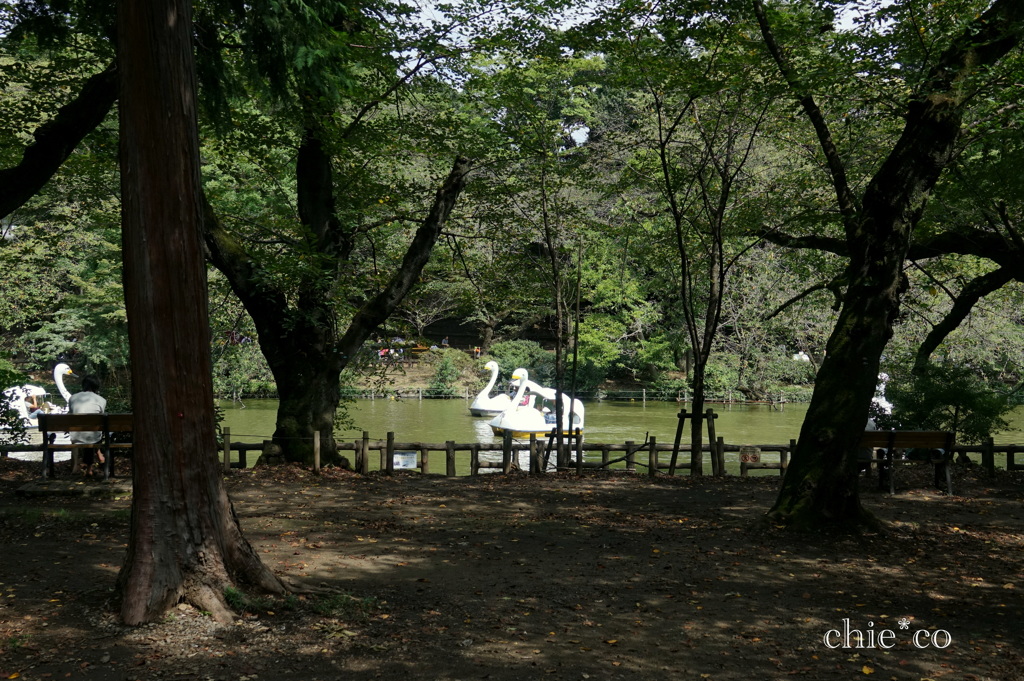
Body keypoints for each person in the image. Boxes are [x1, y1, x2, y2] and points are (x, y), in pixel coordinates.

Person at [69, 375, 107, 477]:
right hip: (93, 435)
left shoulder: (72, 398)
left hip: (76, 435)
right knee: (92, 433)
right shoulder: (101, 400)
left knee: (86, 432)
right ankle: (92, 466)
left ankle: (76, 468)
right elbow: (101, 418)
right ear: (96, 386)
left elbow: (70, 415)